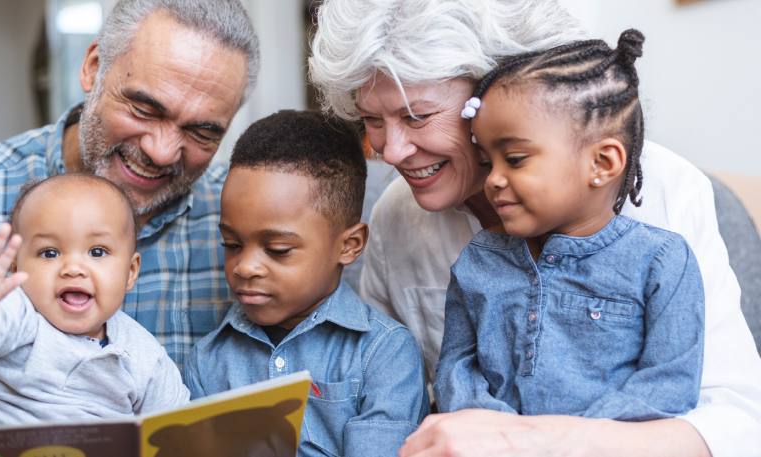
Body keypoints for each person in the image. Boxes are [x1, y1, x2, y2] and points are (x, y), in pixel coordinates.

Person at [308, 0, 761, 455]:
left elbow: (737, 421)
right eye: (371, 120)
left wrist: (537, 442)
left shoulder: (663, 190)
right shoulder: (395, 217)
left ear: (503, 87)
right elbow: (389, 392)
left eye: (417, 116)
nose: (391, 151)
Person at [0, 0, 259, 368]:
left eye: (201, 132)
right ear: (92, 68)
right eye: (144, 110)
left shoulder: (241, 226)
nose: (162, 153)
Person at [435, 29, 705, 421]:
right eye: (486, 161)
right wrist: (500, 434)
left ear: (602, 163)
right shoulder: (478, 259)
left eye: (514, 158)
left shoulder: (661, 261)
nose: (492, 179)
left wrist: (564, 442)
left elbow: (668, 385)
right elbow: (456, 370)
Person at [184, 110, 430, 456]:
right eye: (232, 245)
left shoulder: (384, 354)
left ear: (349, 246)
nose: (245, 267)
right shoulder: (208, 360)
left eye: (278, 250)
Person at [0, 174, 189, 426]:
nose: (73, 268)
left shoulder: (144, 356)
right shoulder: (19, 313)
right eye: (49, 253)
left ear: (130, 272)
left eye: (97, 251)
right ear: (16, 270)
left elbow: (179, 426)